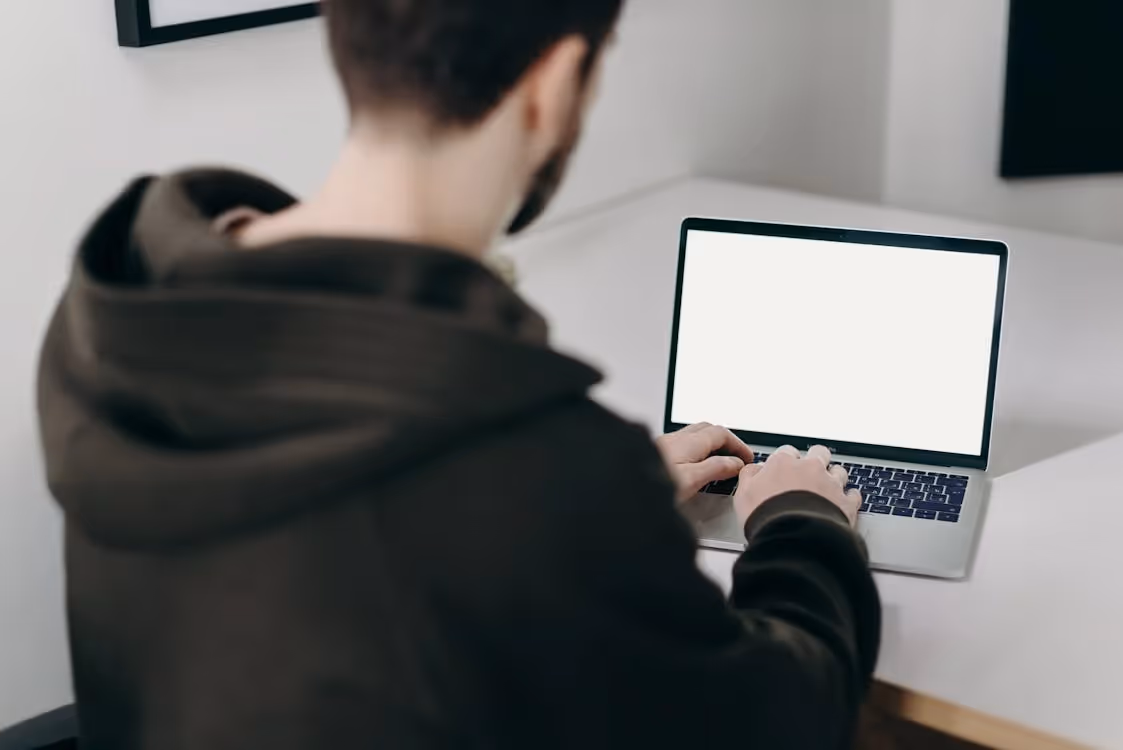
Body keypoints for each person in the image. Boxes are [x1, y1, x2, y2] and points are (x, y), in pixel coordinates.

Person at [36, 0, 880, 748]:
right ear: (554, 84)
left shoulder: (120, 311)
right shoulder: (520, 468)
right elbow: (776, 720)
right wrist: (802, 522)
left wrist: (598, 514)